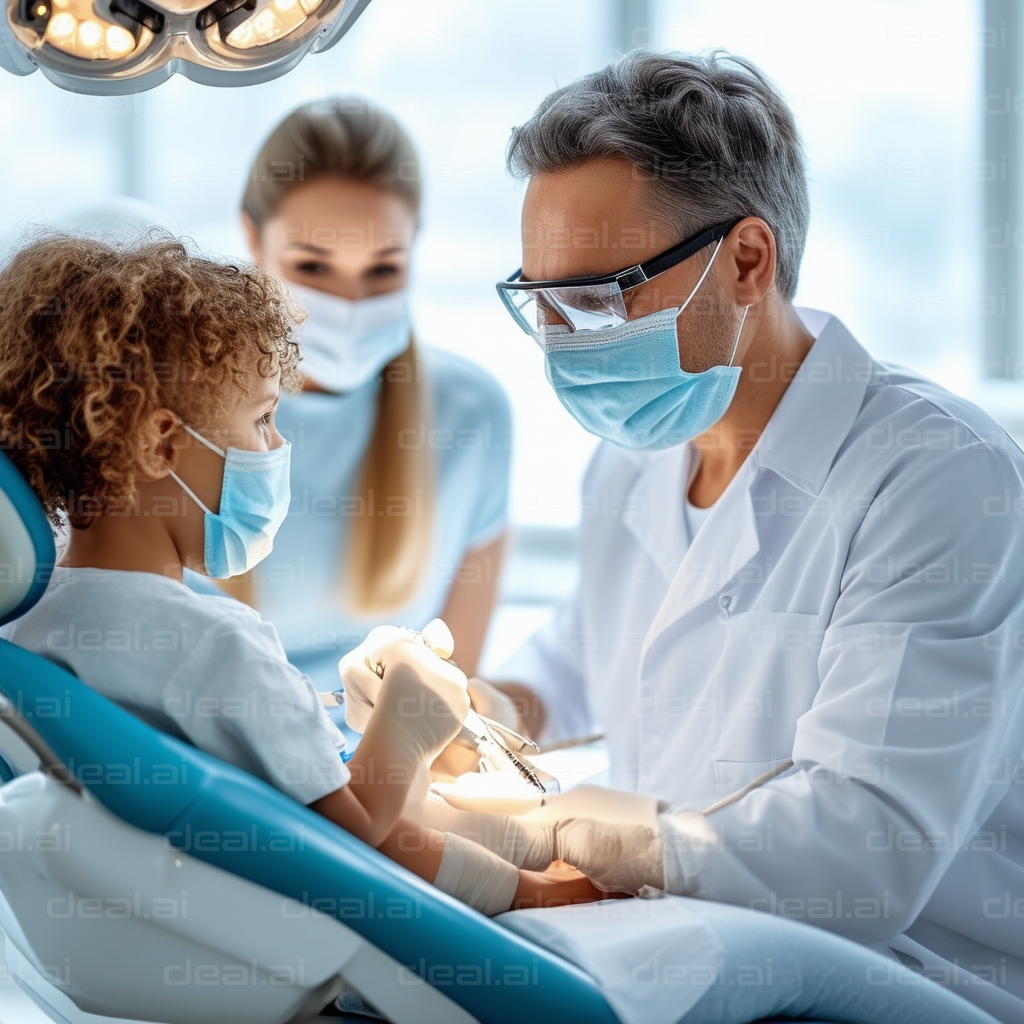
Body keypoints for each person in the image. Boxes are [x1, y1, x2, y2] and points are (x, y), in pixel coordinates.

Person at [450, 50, 1023, 1020]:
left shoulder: (936, 476)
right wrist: (482, 703)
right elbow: (591, 656)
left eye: (594, 299)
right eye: (537, 303)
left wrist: (613, 838)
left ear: (747, 261)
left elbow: (863, 846)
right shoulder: (633, 461)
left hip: (912, 978)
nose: (559, 341)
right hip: (690, 948)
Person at [0, 233, 599, 916]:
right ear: (161, 443)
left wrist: (308, 716)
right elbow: (351, 837)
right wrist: (404, 724)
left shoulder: (37, 623)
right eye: (261, 419)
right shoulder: (213, 641)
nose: (278, 447)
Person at [227, 97, 512, 694]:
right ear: (253, 239)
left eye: (383, 269)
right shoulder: (175, 413)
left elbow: (452, 699)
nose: (350, 304)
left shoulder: (472, 417)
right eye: (313, 266)